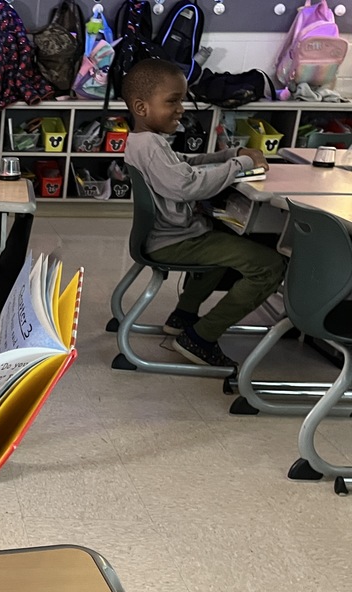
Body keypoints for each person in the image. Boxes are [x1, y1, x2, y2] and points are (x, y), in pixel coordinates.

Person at [122, 58, 285, 369]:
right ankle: (201, 338)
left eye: (181, 100)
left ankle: (183, 317)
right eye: (172, 101)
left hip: (171, 235)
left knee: (224, 237)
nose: (181, 109)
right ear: (141, 107)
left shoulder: (145, 141)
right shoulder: (151, 146)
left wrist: (230, 154)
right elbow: (186, 185)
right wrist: (241, 164)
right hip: (175, 241)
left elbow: (184, 164)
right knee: (269, 266)